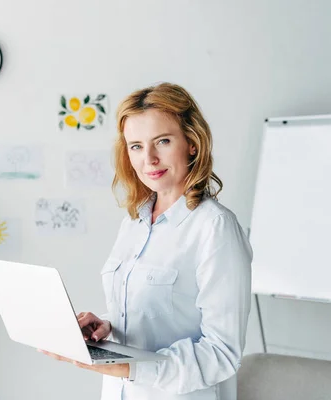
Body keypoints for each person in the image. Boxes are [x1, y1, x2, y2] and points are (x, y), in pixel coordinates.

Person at [40, 82, 252, 400]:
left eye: (162, 141)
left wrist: (131, 369)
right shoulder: (135, 222)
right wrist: (107, 325)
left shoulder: (215, 228)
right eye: (136, 146)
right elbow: (155, 312)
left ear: (192, 143)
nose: (149, 158)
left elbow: (221, 352)